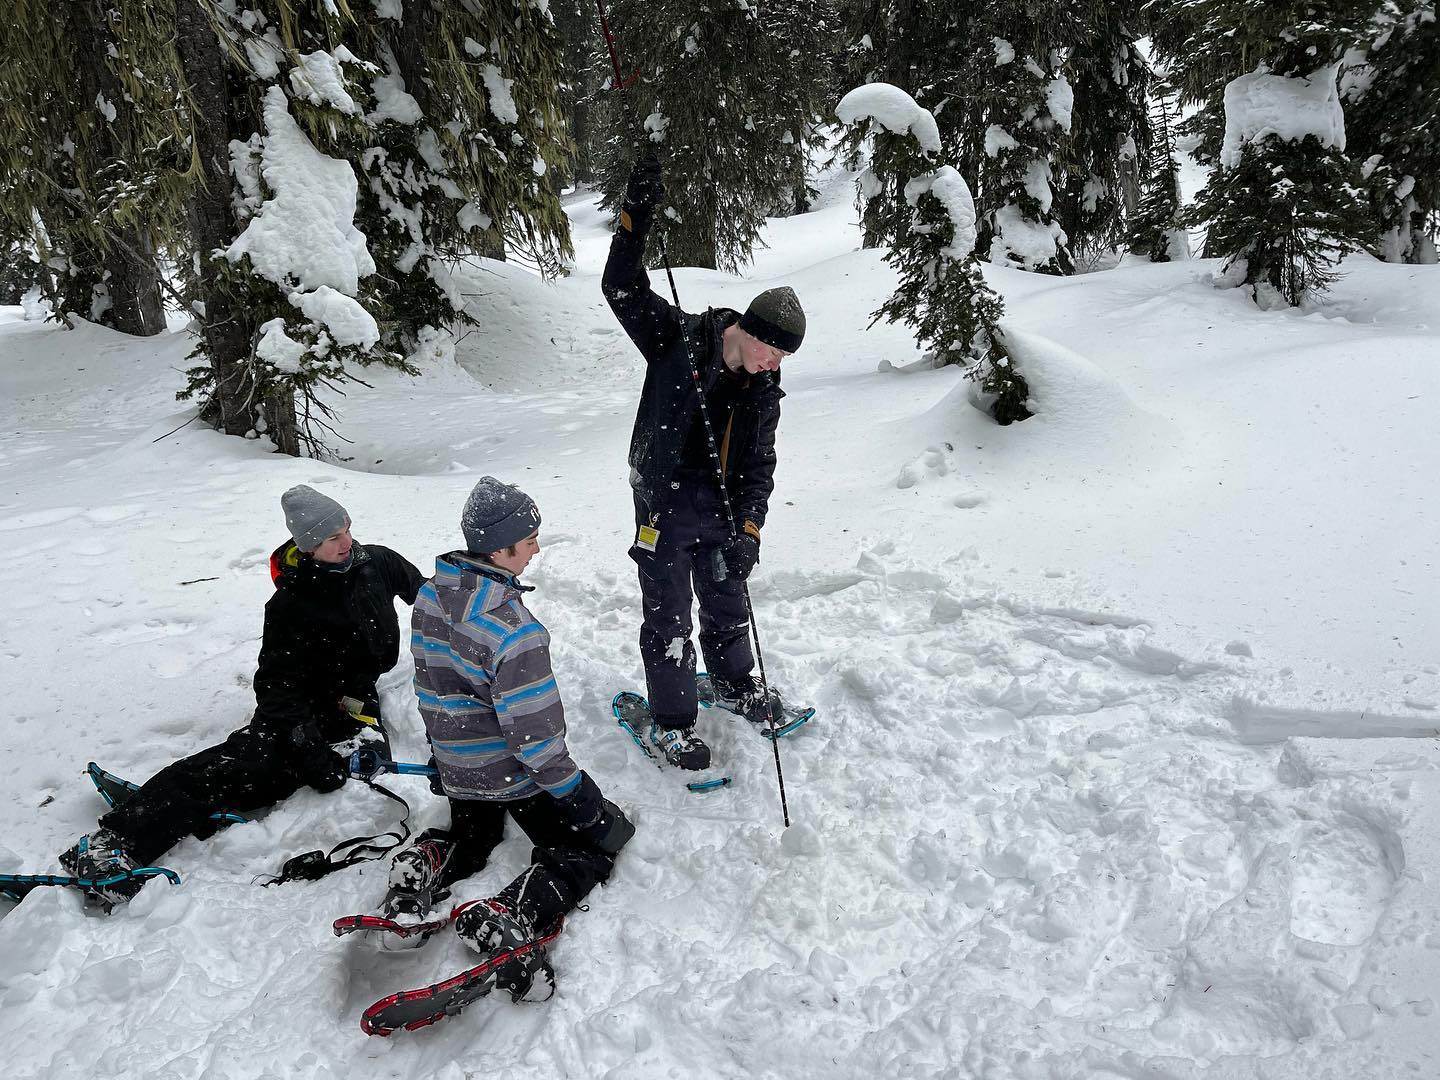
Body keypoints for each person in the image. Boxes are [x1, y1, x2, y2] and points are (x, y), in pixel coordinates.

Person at [59, 485, 424, 906]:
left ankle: (179, 806)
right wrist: (307, 746)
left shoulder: (377, 562)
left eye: (346, 529)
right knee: (254, 763)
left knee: (356, 764)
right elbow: (277, 688)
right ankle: (113, 841)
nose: (346, 543)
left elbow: (431, 596)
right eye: (331, 538)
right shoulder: (292, 603)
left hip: (353, 701)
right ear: (308, 546)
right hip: (296, 708)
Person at [381, 476, 633, 1002]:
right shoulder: (514, 631)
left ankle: (427, 864)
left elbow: (430, 682)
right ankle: (512, 913)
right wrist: (580, 799)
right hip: (507, 776)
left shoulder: (430, 595)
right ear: (499, 550)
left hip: (455, 764)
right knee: (588, 848)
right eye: (529, 540)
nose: (536, 549)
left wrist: (444, 755)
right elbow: (536, 742)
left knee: (475, 837)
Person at [600, 151, 807, 771]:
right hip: (662, 501)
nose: (774, 363)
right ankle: (672, 722)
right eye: (772, 349)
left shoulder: (764, 390)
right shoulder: (679, 336)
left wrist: (750, 529)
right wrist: (634, 219)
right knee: (668, 614)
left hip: (720, 505)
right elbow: (621, 288)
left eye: (783, 357)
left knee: (726, 597)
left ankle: (735, 683)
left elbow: (760, 466)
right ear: (749, 329)